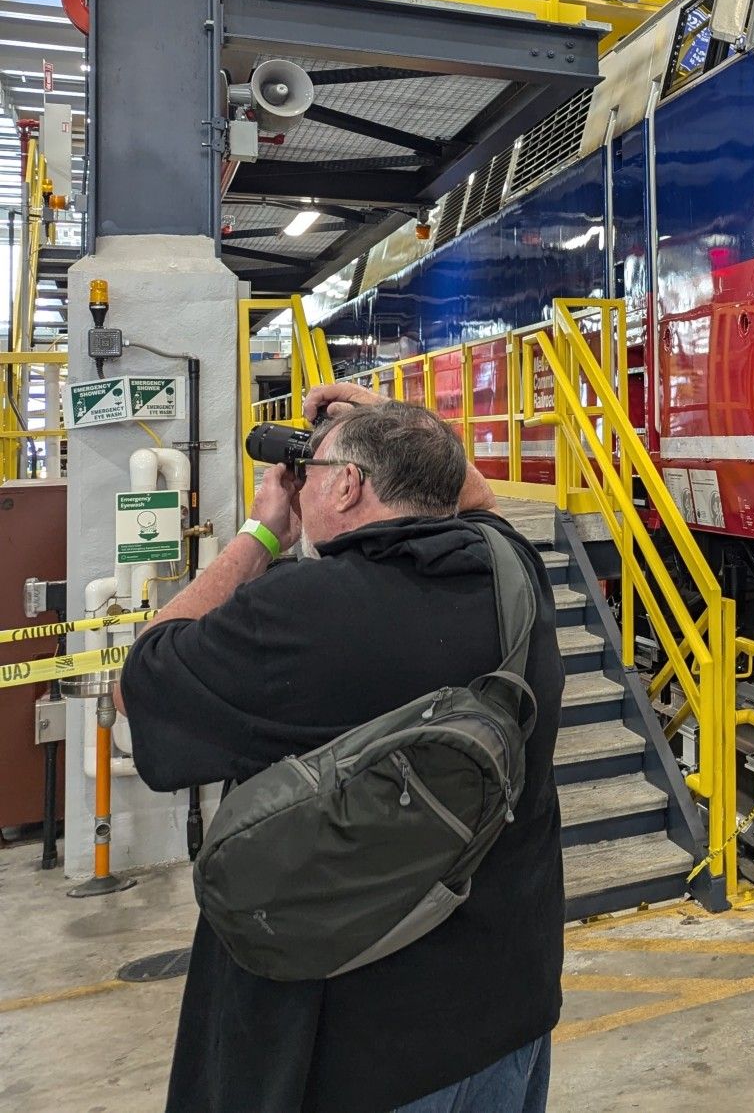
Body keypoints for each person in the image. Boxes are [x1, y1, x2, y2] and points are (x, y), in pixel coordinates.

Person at [118, 387, 565, 1113]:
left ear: (349, 484)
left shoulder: (295, 618)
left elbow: (139, 683)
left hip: (374, 1060)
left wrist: (264, 532)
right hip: (511, 1016)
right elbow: (476, 498)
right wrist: (398, 423)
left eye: (315, 468)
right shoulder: (514, 573)